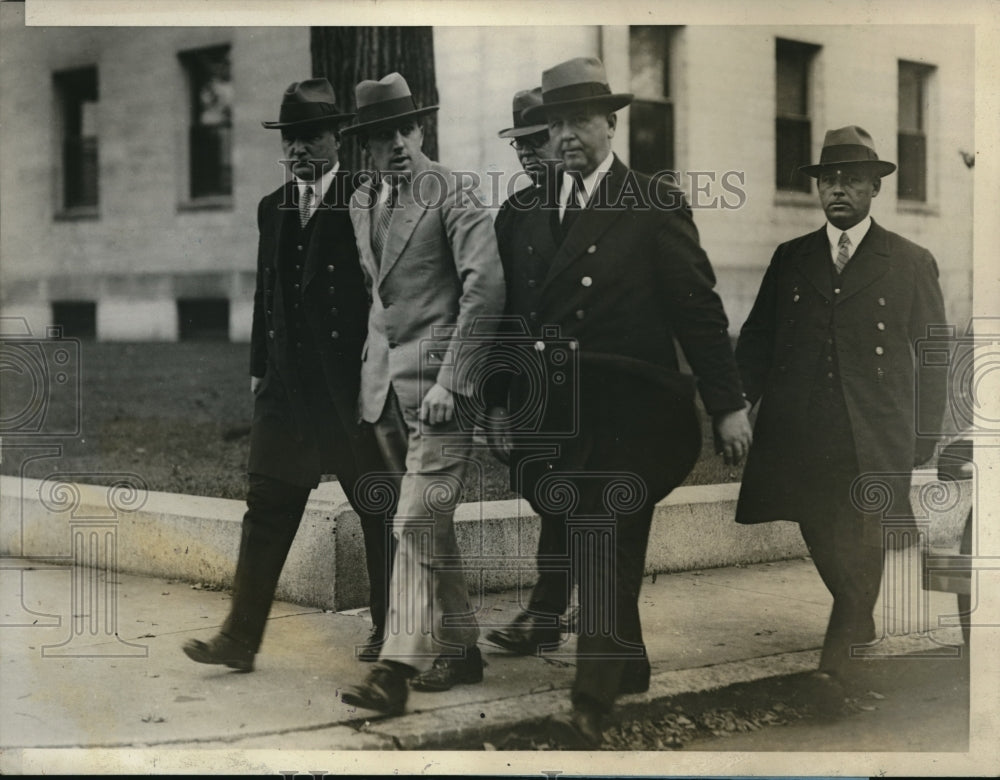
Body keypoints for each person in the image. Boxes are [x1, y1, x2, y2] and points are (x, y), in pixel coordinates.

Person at [484, 57, 752, 748]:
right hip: (552, 411)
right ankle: (625, 664)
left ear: (610, 123)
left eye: (581, 119)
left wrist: (727, 403)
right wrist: (496, 400)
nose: (567, 134)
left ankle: (591, 701)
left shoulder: (652, 203)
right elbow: (508, 316)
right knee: (587, 531)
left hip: (634, 409)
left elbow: (698, 309)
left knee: (603, 535)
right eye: (555, 122)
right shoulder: (519, 214)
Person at [734, 125, 947, 715]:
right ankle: (858, 615)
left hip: (874, 432)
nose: (838, 191)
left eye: (851, 180)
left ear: (875, 188)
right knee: (822, 537)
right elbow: (756, 340)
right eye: (829, 180)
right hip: (803, 433)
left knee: (863, 542)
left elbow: (932, 351)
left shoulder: (908, 260)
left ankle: (834, 669)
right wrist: (734, 405)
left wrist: (925, 431)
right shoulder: (791, 257)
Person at [182, 79, 393, 672]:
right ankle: (239, 640)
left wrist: (378, 377)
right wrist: (258, 369)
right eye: (290, 140)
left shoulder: (365, 198)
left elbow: (385, 292)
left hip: (348, 390)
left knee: (378, 506)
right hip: (284, 391)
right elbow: (264, 294)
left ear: (336, 139)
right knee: (267, 505)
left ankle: (389, 625)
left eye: (310, 138)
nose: (298, 150)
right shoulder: (270, 207)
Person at [338, 73, 506, 715]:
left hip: (444, 392)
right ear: (368, 148)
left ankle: (394, 670)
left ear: (421, 129)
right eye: (383, 136)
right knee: (428, 524)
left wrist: (453, 381)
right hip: (384, 391)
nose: (398, 145)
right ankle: (461, 648)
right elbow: (378, 299)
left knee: (411, 518)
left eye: (406, 130)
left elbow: (485, 291)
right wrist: (368, 379)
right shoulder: (360, 203)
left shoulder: (454, 190)